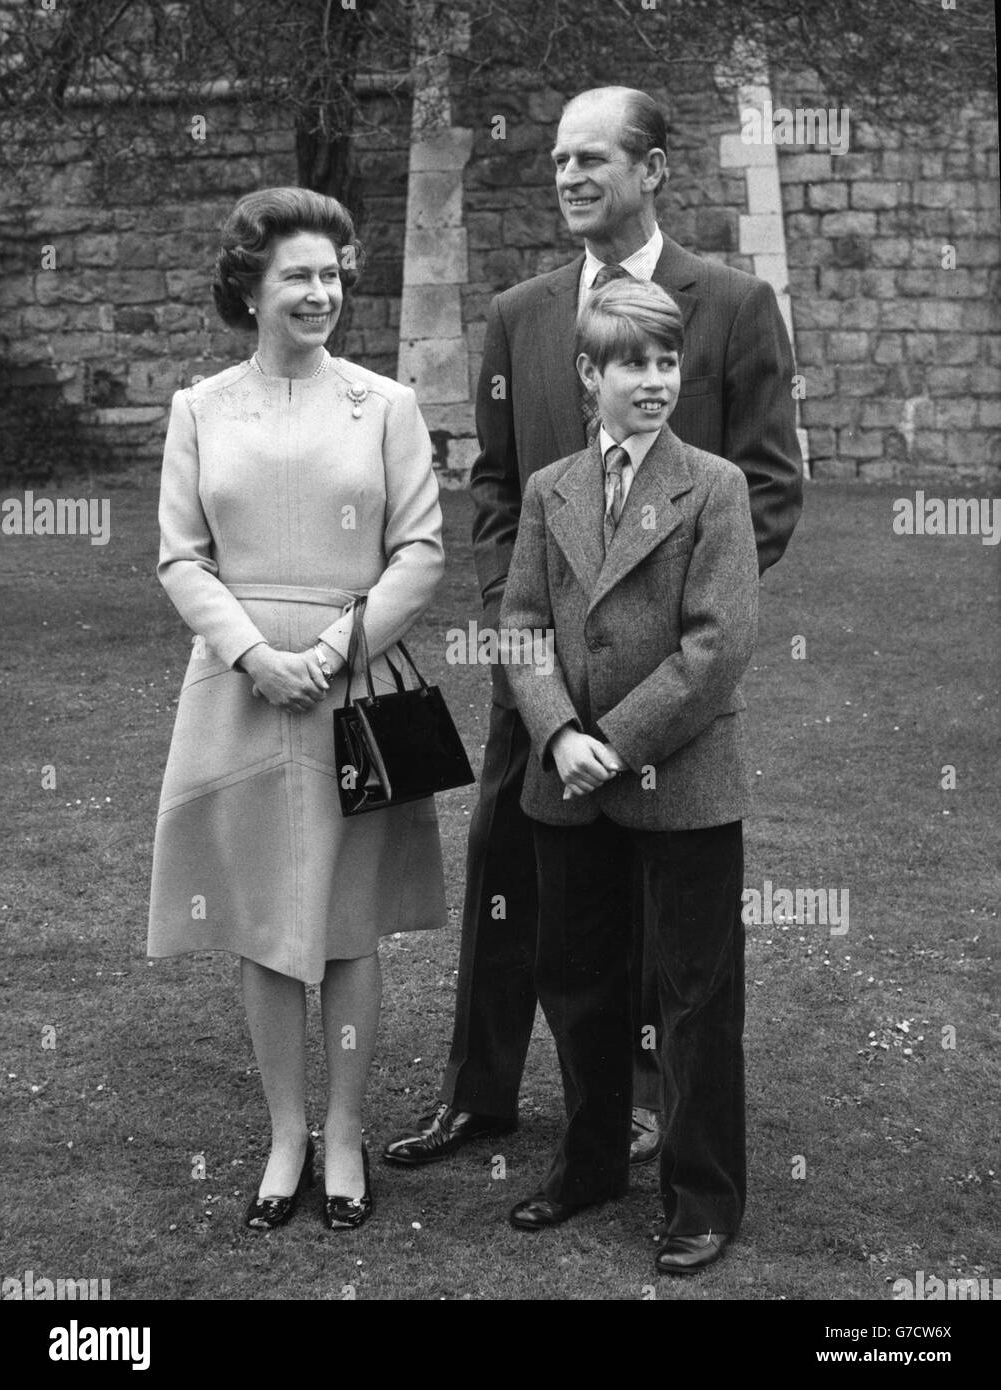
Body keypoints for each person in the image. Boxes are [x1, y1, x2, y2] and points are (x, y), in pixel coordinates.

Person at [384, 84, 801, 1170]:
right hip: (538, 682)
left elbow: (767, 489)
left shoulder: (734, 305)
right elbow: (495, 492)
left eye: (592, 159)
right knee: (506, 876)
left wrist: (674, 644)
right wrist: (522, 645)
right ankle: (478, 1093)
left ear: (654, 167)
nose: (567, 176)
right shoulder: (521, 315)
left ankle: (641, 1099)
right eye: (559, 160)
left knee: (660, 908)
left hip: (667, 686)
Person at [147, 187, 446, 1232]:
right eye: (298, 277)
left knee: (349, 925)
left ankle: (349, 1132)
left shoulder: (385, 405)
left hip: (348, 689)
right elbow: (180, 554)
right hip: (235, 692)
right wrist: (250, 654)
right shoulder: (199, 409)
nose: (321, 292)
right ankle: (285, 1133)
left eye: (332, 273)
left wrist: (326, 649)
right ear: (250, 286)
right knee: (260, 918)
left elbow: (420, 552)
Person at [501, 277, 758, 1274]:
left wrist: (618, 734)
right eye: (631, 364)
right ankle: (591, 1162)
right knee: (578, 982)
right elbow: (520, 624)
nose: (654, 381)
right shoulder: (550, 488)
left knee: (693, 995)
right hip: (569, 781)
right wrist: (561, 734)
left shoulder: (716, 487)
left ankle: (703, 1196)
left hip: (681, 779)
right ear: (588, 374)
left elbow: (718, 641)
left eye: (666, 361)